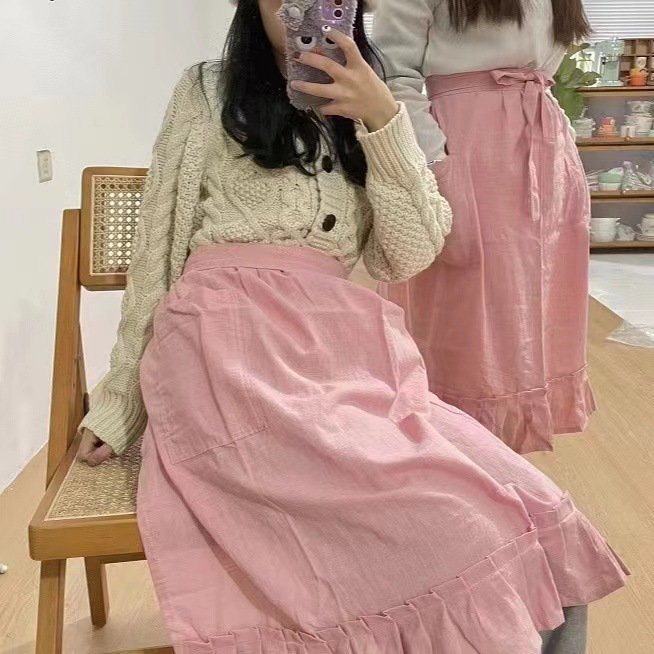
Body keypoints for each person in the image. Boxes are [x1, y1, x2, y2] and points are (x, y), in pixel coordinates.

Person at [77, 1, 626, 652]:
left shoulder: (372, 99)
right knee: (462, 534)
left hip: (346, 359)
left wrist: (382, 120)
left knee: (541, 526)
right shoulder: (207, 88)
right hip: (227, 354)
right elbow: (157, 248)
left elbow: (408, 253)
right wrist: (121, 403)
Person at [374, 0, 596, 454]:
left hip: (545, 148)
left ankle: (508, 457)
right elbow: (392, 76)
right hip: (467, 149)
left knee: (535, 304)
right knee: (466, 309)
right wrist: (435, 162)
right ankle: (455, 452)